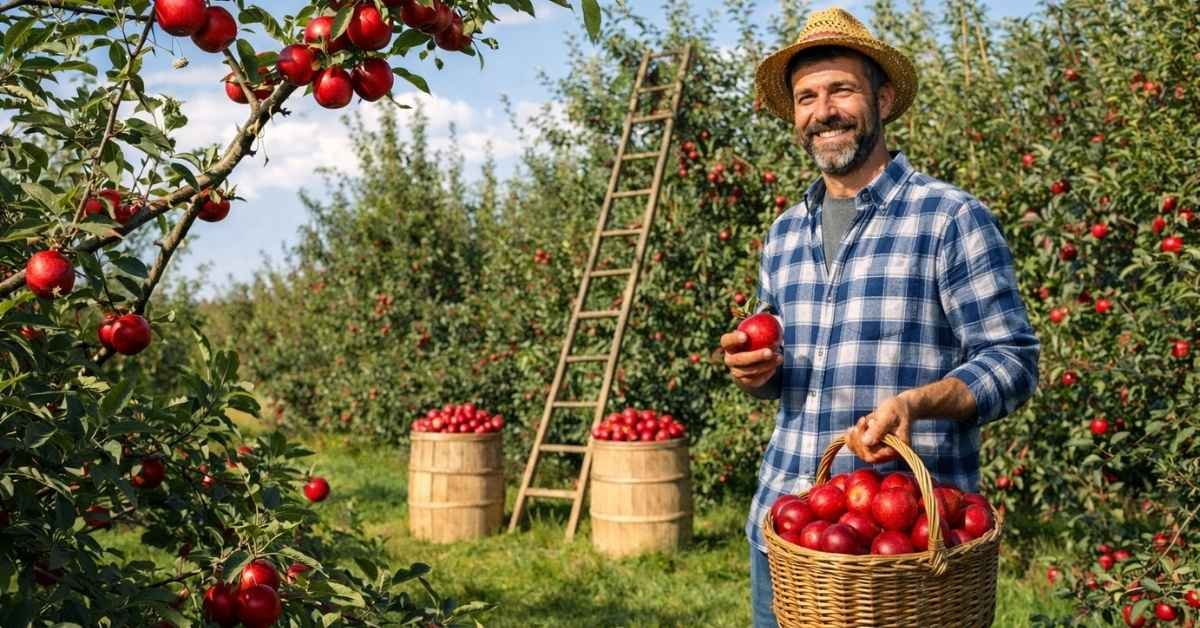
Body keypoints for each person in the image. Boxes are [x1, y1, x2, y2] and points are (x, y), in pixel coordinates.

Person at [721, 8, 1041, 627]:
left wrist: (918, 402)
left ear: (883, 98)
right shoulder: (784, 234)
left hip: (907, 555)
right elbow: (792, 380)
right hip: (788, 533)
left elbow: (1013, 360)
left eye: (841, 89)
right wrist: (757, 372)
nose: (824, 110)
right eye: (806, 97)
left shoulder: (948, 218)